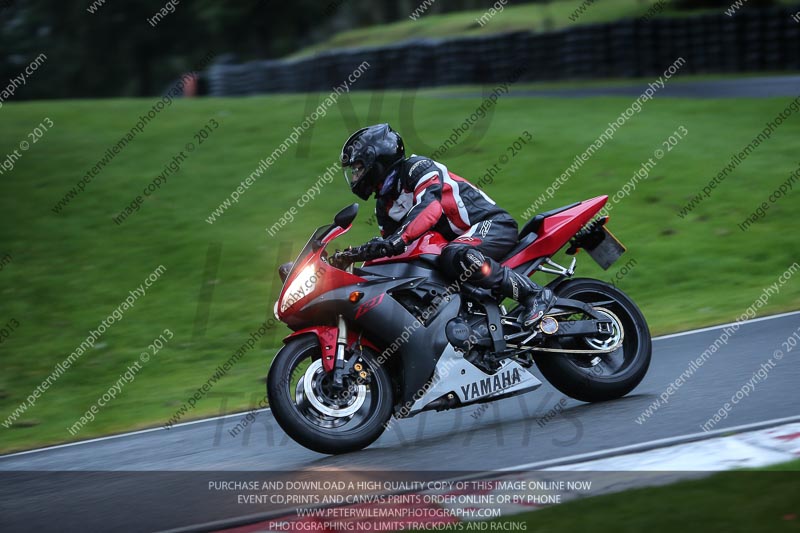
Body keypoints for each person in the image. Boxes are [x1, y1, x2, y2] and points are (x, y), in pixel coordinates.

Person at [340, 123, 555, 328]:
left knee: (456, 253)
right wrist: (359, 257)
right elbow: (394, 253)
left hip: (491, 225)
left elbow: (430, 208)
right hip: (458, 245)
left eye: (358, 168)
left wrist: (398, 239)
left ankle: (534, 294)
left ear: (376, 160)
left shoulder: (418, 168)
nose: (355, 176)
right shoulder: (383, 205)